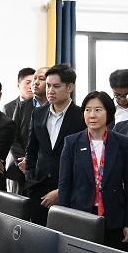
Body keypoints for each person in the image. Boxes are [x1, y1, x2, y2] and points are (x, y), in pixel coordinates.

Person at [58, 91, 128, 245]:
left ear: (109, 113)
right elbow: (64, 184)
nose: (92, 115)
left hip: (114, 216)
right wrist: (64, 218)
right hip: (80, 214)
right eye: (87, 110)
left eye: (98, 110)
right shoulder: (72, 142)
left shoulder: (122, 143)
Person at [23, 64, 78, 208]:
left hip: (67, 192)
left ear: (70, 87)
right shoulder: (38, 113)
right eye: (48, 86)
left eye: (56, 86)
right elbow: (32, 150)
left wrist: (63, 190)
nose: (50, 91)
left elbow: (82, 162)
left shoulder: (80, 116)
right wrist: (30, 179)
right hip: (38, 188)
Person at [10, 67, 39, 177]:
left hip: (38, 165)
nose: (32, 85)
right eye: (28, 82)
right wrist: (23, 160)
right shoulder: (11, 107)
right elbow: (12, 137)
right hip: (17, 164)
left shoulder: (45, 106)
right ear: (18, 85)